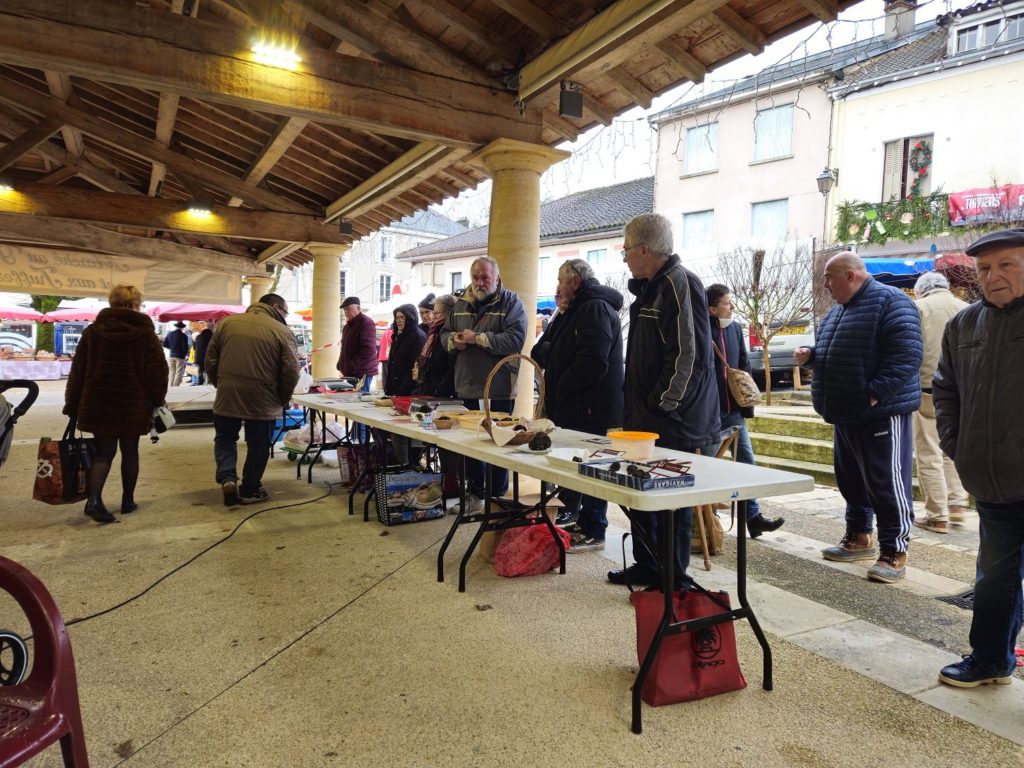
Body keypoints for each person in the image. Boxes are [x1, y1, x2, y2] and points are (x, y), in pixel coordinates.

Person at [794, 252, 922, 583]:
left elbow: (907, 355)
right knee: (851, 479)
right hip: (846, 412)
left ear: (850, 276)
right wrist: (811, 356)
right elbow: (839, 352)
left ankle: (894, 549)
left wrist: (874, 393)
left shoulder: (891, 302)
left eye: (828, 277)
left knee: (886, 482)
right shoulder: (838, 311)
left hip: (879, 413)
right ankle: (858, 536)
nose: (825, 284)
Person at [608, 213, 721, 589]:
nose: (623, 258)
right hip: (647, 418)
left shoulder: (679, 282)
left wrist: (660, 404)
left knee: (673, 501)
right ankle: (647, 564)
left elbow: (688, 355)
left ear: (643, 249)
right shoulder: (650, 287)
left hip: (673, 420)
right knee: (642, 492)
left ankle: (673, 576)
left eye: (625, 250)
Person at [933, 228, 1024, 688]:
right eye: (985, 269)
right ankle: (990, 660)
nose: (994, 276)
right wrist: (956, 442)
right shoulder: (964, 324)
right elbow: (945, 389)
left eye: (1007, 264)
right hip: (991, 478)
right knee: (995, 578)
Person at [533, 259, 623, 552]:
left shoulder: (594, 307)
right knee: (574, 464)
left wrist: (562, 386)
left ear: (575, 281)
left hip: (590, 406)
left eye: (560, 282)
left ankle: (594, 528)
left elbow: (594, 361)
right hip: (574, 404)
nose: (557, 288)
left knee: (594, 466)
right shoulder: (570, 310)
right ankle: (573, 517)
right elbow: (540, 351)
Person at [63, 284, 168, 523]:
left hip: (98, 402)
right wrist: (157, 400)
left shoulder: (92, 332)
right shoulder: (145, 335)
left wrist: (72, 404)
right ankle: (128, 500)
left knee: (103, 454)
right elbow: (157, 373)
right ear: (135, 305)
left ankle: (94, 500)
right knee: (130, 452)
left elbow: (77, 371)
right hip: (133, 403)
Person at [441, 256, 527, 512]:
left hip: (498, 386)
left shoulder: (512, 303)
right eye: (475, 277)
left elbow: (515, 340)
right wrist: (453, 341)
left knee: (499, 442)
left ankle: (497, 496)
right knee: (471, 442)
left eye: (485, 278)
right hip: (466, 384)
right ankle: (477, 492)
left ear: (496, 278)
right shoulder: (461, 304)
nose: (479, 283)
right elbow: (444, 334)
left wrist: (478, 338)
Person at [206, 294, 299, 506]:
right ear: (275, 307)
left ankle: (228, 479)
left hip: (229, 392)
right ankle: (249, 489)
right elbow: (291, 371)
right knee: (259, 444)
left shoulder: (227, 324)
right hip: (263, 396)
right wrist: (283, 398)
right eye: (285, 312)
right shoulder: (282, 331)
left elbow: (210, 359)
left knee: (225, 438)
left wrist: (220, 384)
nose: (285, 316)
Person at [706, 283, 784, 538]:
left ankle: (752, 517)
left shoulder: (735, 329)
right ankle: (708, 522)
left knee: (746, 463)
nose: (732, 306)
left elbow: (743, 365)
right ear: (712, 309)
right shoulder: (700, 330)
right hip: (708, 414)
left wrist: (747, 405)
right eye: (727, 302)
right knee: (709, 467)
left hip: (734, 412)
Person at [912, 271, 969, 534]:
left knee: (929, 452)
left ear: (921, 290)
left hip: (928, 388)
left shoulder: (918, 308)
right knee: (951, 448)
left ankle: (937, 515)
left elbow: (911, 349)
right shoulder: (967, 308)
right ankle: (957, 505)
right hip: (963, 391)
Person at [413, 294, 457, 399]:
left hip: (441, 393)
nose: (433, 316)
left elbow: (451, 366)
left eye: (436, 313)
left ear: (448, 313)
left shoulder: (448, 333)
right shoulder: (434, 332)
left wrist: (440, 391)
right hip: (430, 388)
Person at [337, 296, 377, 393]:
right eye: (344, 310)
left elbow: (368, 349)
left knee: (359, 400)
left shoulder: (366, 323)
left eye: (349, 309)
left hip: (362, 371)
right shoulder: (348, 326)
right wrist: (341, 364)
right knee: (351, 400)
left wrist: (352, 365)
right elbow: (345, 348)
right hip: (351, 372)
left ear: (358, 308)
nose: (346, 313)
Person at [384, 304, 426, 396]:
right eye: (397, 317)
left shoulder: (418, 337)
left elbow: (415, 365)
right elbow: (392, 363)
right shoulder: (398, 336)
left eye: (402, 317)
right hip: (395, 389)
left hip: (408, 391)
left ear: (410, 318)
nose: (398, 320)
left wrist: (403, 390)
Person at [163, 320, 190, 386]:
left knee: (172, 371)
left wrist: (171, 348)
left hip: (171, 355)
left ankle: (170, 385)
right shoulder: (184, 336)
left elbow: (164, 344)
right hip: (180, 356)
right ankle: (175, 386)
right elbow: (185, 347)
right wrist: (186, 353)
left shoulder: (170, 334)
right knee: (179, 371)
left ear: (176, 327)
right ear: (182, 328)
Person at [192, 320, 213, 385]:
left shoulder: (198, 337)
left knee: (199, 372)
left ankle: (199, 383)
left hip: (197, 357)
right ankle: (208, 382)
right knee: (208, 371)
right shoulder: (210, 339)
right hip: (205, 358)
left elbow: (194, 347)